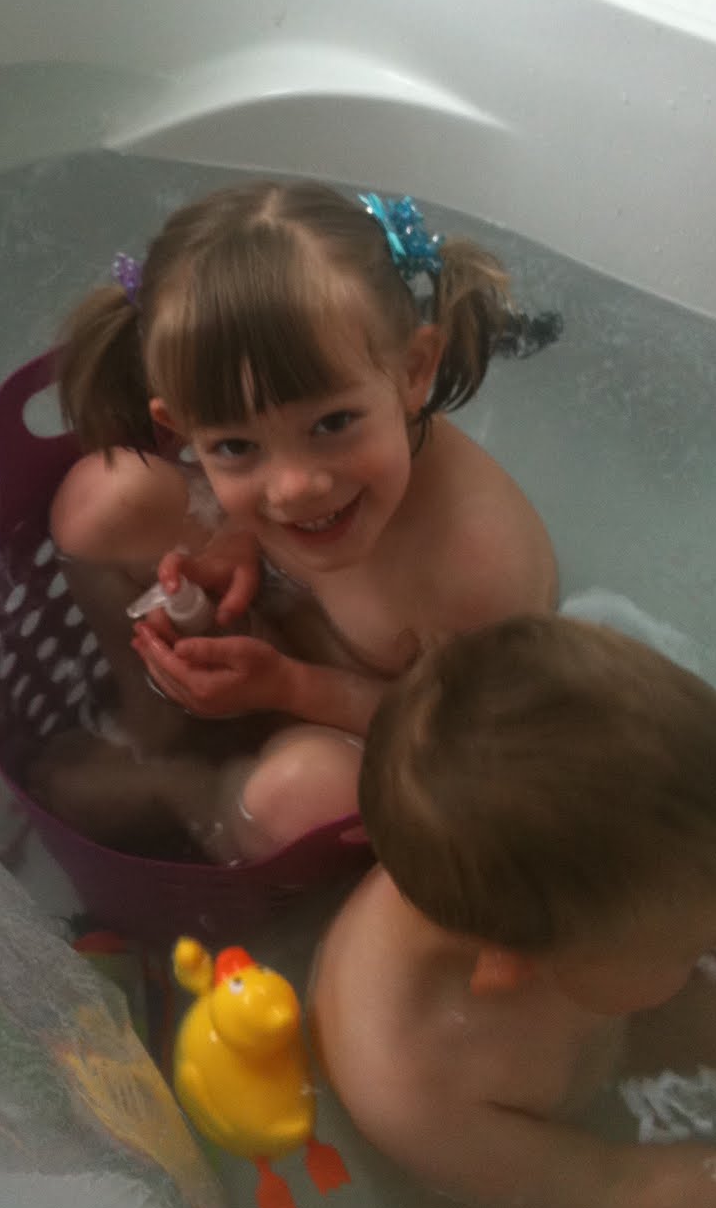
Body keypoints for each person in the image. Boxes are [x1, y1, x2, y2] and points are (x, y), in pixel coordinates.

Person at [33, 178, 556, 860]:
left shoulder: (476, 563)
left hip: (389, 721)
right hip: (287, 630)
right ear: (181, 428)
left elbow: (470, 741)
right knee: (98, 503)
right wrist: (237, 536)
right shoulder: (320, 482)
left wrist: (289, 686)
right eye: (235, 446)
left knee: (299, 797)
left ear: (414, 370)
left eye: (333, 423)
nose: (294, 489)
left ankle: (198, 796)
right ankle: (150, 717)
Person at [310, 614, 716, 1208]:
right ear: (516, 964)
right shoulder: (416, 1088)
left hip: (603, 993)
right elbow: (614, 1191)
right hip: (564, 1075)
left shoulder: (589, 861)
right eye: (696, 944)